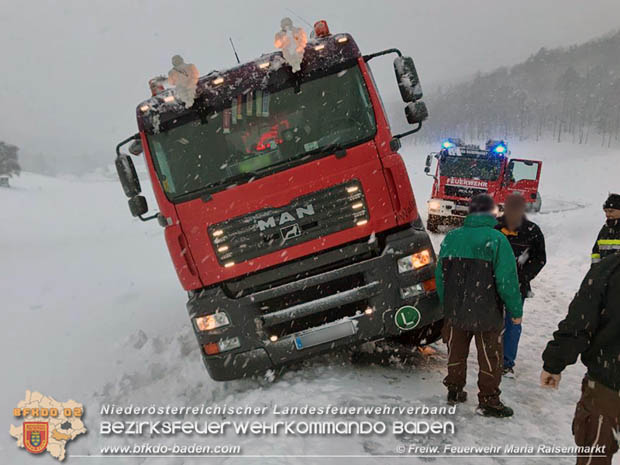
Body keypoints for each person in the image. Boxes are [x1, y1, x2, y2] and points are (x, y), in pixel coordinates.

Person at [435, 194, 523, 417]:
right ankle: (489, 400)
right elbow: (507, 280)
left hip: (456, 308)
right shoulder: (497, 240)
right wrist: (515, 310)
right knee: (490, 355)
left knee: (456, 351)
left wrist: (446, 303)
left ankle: (454, 390)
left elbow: (440, 276)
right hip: (487, 310)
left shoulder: (451, 238)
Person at [541, 253, 620, 465]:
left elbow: (579, 323)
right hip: (609, 380)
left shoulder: (609, 269)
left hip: (608, 384)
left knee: (595, 452)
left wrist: (554, 364)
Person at [495, 193, 547, 377]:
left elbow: (540, 258)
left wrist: (522, 277)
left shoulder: (532, 230)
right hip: (491, 286)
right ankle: (491, 357)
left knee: (512, 323)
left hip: (517, 288)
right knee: (493, 322)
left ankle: (506, 362)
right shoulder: (495, 227)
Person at [591, 193, 620, 264]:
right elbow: (596, 252)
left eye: (611, 211)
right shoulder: (605, 229)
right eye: (606, 211)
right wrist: (595, 270)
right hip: (605, 273)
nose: (607, 214)